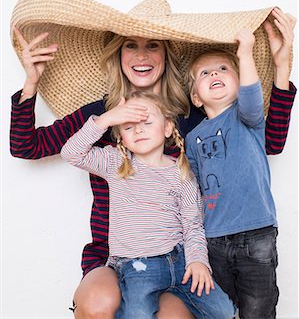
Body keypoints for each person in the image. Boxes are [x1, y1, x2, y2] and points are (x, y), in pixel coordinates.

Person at [10, 5, 296, 319]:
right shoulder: (103, 114)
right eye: (130, 45)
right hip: (115, 253)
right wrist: (32, 84)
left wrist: (282, 69)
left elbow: (267, 144)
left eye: (152, 45)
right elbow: (26, 146)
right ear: (118, 54)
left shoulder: (192, 119)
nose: (141, 55)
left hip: (180, 257)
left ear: (166, 54)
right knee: (98, 304)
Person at [60, 91, 235, 318]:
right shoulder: (116, 163)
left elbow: (192, 226)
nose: (138, 130)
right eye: (128, 126)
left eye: (147, 122)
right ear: (120, 137)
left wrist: (198, 261)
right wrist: (106, 119)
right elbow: (71, 153)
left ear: (168, 128)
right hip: (136, 266)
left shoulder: (182, 174)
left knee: (224, 311)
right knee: (139, 315)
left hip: (180, 260)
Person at [185, 26, 296, 319]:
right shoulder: (192, 137)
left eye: (223, 69)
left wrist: (244, 54)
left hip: (257, 232)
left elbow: (250, 92)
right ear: (196, 98)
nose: (214, 75)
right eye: (204, 74)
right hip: (215, 238)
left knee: (259, 309)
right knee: (221, 311)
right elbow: (196, 187)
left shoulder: (247, 118)